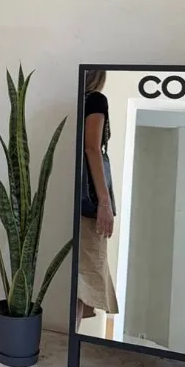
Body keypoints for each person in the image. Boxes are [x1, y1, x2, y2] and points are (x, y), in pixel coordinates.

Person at [77, 69, 118, 330]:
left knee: (82, 274)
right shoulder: (95, 99)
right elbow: (92, 147)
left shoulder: (75, 100)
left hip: (77, 195)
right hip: (89, 200)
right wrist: (104, 202)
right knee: (85, 275)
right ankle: (73, 337)